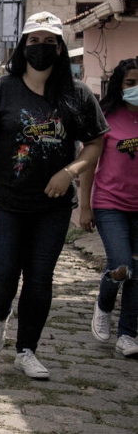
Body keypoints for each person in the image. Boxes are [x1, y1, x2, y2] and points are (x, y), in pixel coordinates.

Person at [0, 12, 108, 380]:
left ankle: (27, 349)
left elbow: (95, 143)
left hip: (51, 206)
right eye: (34, 41)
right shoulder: (2, 89)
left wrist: (69, 172)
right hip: (4, 202)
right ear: (22, 47)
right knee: (1, 274)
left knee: (40, 278)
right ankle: (0, 315)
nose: (41, 48)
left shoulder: (76, 94)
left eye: (49, 41)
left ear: (60, 48)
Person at [79, 58, 138, 358]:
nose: (136, 88)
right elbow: (89, 163)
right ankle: (103, 305)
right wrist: (84, 206)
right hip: (110, 204)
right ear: (119, 85)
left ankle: (128, 334)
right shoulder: (106, 117)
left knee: (137, 273)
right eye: (131, 83)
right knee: (121, 266)